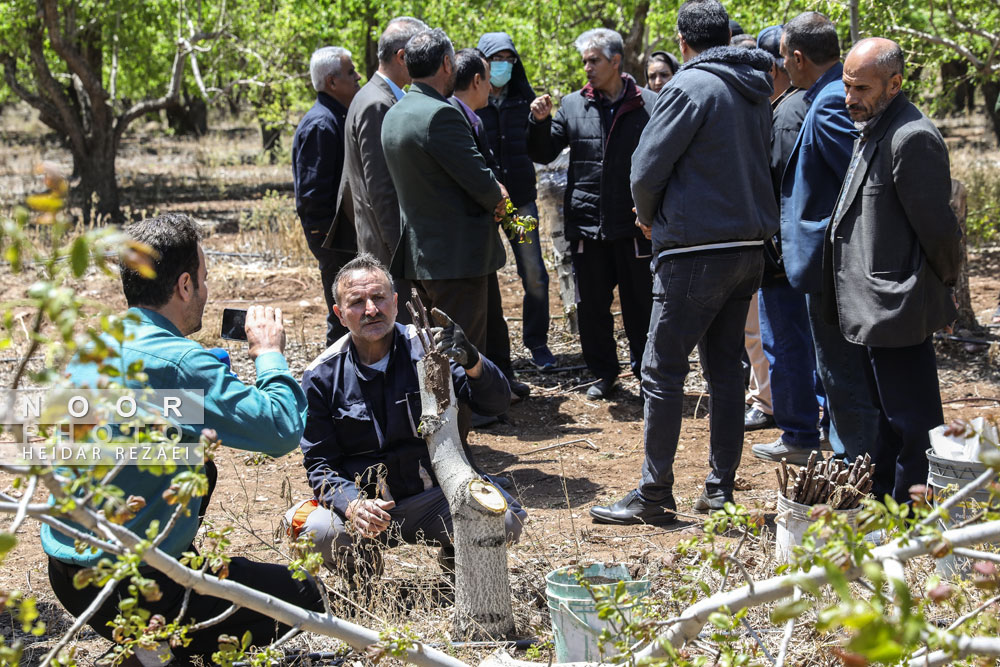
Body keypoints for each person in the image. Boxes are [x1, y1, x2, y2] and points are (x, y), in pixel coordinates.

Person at [43, 214, 324, 664]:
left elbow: (134, 417)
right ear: (186, 285)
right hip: (133, 585)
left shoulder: (97, 344)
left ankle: (155, 649)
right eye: (205, 280)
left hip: (69, 571)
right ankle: (154, 651)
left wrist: (203, 392)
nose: (207, 293)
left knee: (201, 466)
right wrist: (269, 355)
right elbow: (280, 430)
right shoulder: (181, 365)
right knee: (303, 594)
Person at [591, 0, 777, 523]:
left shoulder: (689, 87)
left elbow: (645, 171)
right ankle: (719, 492)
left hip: (695, 251)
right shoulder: (756, 89)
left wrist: (647, 217)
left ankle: (654, 496)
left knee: (662, 368)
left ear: (682, 41)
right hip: (746, 249)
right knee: (726, 369)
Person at [286, 254, 526, 577]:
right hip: (368, 510)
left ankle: (456, 559)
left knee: (503, 523)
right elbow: (320, 463)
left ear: (395, 302)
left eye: (379, 298)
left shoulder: (429, 348)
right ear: (340, 315)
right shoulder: (321, 375)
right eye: (357, 302)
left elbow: (496, 404)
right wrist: (353, 504)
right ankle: (364, 574)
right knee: (317, 533)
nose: (371, 310)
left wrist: (473, 361)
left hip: (434, 498)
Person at [824, 38, 962, 501]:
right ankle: (886, 503)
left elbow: (939, 230)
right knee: (886, 416)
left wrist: (943, 287)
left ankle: (911, 514)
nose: (849, 98)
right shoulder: (875, 124)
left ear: (894, 84)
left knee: (912, 422)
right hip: (872, 306)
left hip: (897, 304)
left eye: (860, 88)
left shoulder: (911, 136)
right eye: (846, 87)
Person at [753, 12, 882, 466]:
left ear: (797, 57)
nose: (783, 66)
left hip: (834, 266)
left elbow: (862, 182)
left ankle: (857, 467)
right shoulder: (827, 95)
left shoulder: (827, 101)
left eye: (784, 57)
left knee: (840, 374)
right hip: (835, 265)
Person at [528, 28, 655, 399]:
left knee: (640, 306)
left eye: (594, 60)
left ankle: (646, 373)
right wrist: (537, 123)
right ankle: (604, 373)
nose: (587, 68)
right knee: (592, 308)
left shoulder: (649, 103)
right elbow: (544, 152)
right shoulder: (571, 106)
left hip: (633, 225)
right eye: (584, 61)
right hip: (587, 225)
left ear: (616, 62)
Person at [381, 28, 507, 369]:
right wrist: (499, 195)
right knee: (460, 352)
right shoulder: (441, 114)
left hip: (421, 256)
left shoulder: (394, 114)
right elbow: (482, 182)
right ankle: (470, 417)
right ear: (448, 65)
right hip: (456, 257)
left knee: (432, 350)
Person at [750, 23, 828, 456]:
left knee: (786, 344)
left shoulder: (787, 114)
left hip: (783, 255)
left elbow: (776, 186)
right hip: (802, 252)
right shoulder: (808, 103)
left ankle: (799, 434)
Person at [447, 48, 532, 406]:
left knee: (493, 314)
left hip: (483, 236)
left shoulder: (472, 116)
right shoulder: (454, 117)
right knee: (479, 320)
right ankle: (484, 397)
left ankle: (502, 381)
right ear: (478, 80)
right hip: (466, 239)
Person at [335, 17, 428, 320]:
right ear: (403, 57)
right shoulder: (378, 103)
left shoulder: (374, 97)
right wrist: (400, 256)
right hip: (388, 249)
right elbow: (380, 189)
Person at [477, 32, 557, 370]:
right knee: (479, 276)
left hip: (519, 202)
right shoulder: (469, 100)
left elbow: (543, 152)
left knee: (535, 273)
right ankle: (485, 351)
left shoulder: (524, 99)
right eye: (496, 59)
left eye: (509, 59)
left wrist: (540, 122)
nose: (503, 66)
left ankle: (537, 343)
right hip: (481, 203)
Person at [292, 46, 362, 346]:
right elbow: (312, 193)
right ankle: (333, 385)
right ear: (332, 82)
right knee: (342, 318)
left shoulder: (337, 116)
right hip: (336, 242)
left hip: (344, 238)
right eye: (351, 72)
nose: (359, 77)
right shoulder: (322, 124)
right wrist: (327, 241)